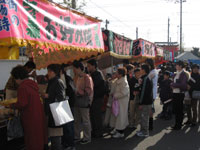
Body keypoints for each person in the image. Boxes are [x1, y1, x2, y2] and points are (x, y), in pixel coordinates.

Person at [11, 65, 45, 150]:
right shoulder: (32, 84)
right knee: (38, 138)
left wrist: (13, 105)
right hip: (38, 114)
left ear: (18, 78)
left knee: (32, 140)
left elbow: (22, 104)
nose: (15, 81)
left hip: (30, 117)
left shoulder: (22, 87)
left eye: (15, 79)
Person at [43, 64, 65, 150]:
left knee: (55, 138)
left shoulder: (58, 81)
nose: (48, 73)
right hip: (51, 111)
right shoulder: (52, 81)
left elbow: (61, 97)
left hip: (56, 113)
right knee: (53, 137)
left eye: (49, 71)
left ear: (54, 72)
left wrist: (48, 96)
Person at [73, 61, 93, 144]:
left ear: (78, 68)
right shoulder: (77, 77)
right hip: (77, 101)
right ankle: (77, 136)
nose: (74, 70)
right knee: (76, 120)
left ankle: (87, 137)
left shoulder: (87, 77)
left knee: (85, 121)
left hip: (84, 101)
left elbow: (89, 90)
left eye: (74, 68)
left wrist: (79, 92)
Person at [87, 59, 105, 138]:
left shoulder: (97, 74)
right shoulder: (93, 73)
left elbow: (95, 86)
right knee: (93, 116)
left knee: (96, 116)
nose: (87, 68)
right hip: (94, 98)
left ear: (93, 66)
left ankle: (99, 132)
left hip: (97, 98)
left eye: (89, 66)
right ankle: (95, 131)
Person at [110, 67, 130, 138]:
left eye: (117, 73)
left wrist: (115, 95)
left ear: (120, 74)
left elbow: (124, 92)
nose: (115, 74)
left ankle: (121, 132)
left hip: (121, 102)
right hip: (117, 101)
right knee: (116, 115)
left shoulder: (124, 82)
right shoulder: (118, 80)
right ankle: (116, 128)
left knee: (121, 116)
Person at [60, 65, 76, 150]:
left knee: (68, 126)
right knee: (67, 126)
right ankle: (67, 143)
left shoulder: (67, 79)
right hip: (67, 104)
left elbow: (72, 91)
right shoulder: (67, 78)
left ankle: (70, 144)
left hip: (68, 104)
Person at [171, 61, 188, 130]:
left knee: (179, 110)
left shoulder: (183, 74)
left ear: (180, 66)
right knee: (176, 110)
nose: (176, 66)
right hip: (175, 93)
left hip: (179, 94)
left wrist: (173, 85)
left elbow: (183, 85)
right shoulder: (177, 73)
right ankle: (176, 124)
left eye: (177, 65)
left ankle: (178, 125)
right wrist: (172, 84)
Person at [136, 64, 153, 137]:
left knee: (144, 117)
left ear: (144, 70)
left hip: (145, 101)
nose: (140, 70)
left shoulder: (146, 78)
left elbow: (143, 92)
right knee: (143, 117)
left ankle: (145, 132)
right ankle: (143, 130)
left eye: (141, 69)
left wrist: (140, 102)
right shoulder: (145, 77)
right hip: (147, 101)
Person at [145, 58, 158, 130]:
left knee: (150, 109)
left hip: (151, 93)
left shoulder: (152, 72)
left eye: (146, 64)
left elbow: (148, 81)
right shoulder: (152, 71)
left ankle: (150, 125)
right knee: (150, 108)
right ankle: (150, 125)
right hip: (152, 92)